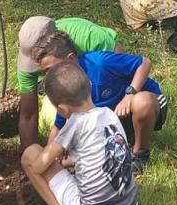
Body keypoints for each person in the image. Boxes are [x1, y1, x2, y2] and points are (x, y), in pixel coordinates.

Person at [17, 17, 168, 174]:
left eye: (50, 69)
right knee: (64, 162)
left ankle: (139, 154)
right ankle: (121, 149)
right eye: (45, 73)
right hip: (112, 121)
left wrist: (130, 93)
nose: (49, 76)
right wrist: (50, 155)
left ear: (70, 58)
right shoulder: (66, 86)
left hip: (142, 105)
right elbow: (58, 126)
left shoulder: (99, 63)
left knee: (142, 102)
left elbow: (144, 63)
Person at [22, 61, 139, 205]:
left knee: (30, 155)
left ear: (62, 109)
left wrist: (52, 158)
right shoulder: (109, 114)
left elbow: (39, 165)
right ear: (89, 87)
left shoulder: (74, 124)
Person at [17, 15, 123, 149]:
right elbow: (28, 114)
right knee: (55, 118)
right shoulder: (28, 62)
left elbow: (120, 69)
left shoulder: (88, 37)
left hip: (98, 77)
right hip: (68, 87)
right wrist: (31, 153)